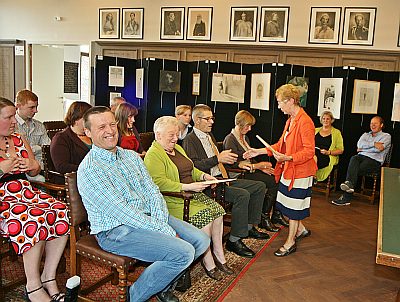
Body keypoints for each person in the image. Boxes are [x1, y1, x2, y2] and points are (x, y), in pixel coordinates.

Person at [77, 106, 209, 302]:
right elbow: (123, 212)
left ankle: (162, 283)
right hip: (115, 231)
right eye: (101, 127)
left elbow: (152, 191)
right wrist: (162, 228)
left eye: (112, 124)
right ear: (87, 132)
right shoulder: (90, 169)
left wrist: (159, 218)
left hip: (146, 217)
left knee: (201, 240)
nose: (110, 131)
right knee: (184, 252)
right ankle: (134, 296)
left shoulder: (130, 156)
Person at [145, 116, 233, 281]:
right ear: (158, 135)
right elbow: (158, 183)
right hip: (174, 199)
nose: (175, 138)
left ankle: (219, 254)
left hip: (192, 194)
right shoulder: (153, 155)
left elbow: (191, 169)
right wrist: (187, 187)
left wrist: (205, 176)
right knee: (206, 218)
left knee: (219, 211)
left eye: (177, 134)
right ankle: (208, 262)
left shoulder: (178, 148)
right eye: (171, 135)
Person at [0, 97, 69, 302]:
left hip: (25, 191)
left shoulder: (19, 139)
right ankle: (33, 286)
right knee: (34, 217)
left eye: (14, 116)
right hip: (4, 198)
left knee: (61, 210)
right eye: (8, 117)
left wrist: (31, 165)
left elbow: (36, 170)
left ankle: (48, 277)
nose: (14, 121)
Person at [183, 104, 268, 259]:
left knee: (259, 186)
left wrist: (226, 159)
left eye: (212, 118)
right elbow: (193, 166)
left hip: (222, 177)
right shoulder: (190, 140)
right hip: (208, 184)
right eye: (207, 119)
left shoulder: (209, 136)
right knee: (242, 195)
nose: (211, 122)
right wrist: (218, 159)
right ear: (196, 120)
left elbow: (217, 160)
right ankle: (234, 239)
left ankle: (249, 227)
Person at [244, 84, 317, 257]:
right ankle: (301, 229)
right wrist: (258, 151)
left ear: (291, 101)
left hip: (300, 172)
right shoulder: (290, 120)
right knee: (285, 203)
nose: (278, 106)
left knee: (293, 208)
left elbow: (309, 151)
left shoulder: (305, 122)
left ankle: (290, 242)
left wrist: (289, 158)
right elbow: (279, 146)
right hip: (289, 169)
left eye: (280, 102)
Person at [223, 110, 288, 232]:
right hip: (238, 173)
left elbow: (251, 159)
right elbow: (233, 163)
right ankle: (264, 217)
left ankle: (274, 214)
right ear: (239, 124)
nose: (249, 129)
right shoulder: (230, 139)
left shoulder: (245, 138)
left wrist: (262, 168)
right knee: (272, 182)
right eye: (247, 126)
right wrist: (260, 166)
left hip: (249, 170)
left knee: (275, 178)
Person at [332, 116, 391, 206]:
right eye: (371, 123)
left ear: (381, 125)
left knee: (354, 169)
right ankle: (349, 186)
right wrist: (374, 144)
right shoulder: (365, 135)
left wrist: (363, 149)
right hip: (360, 158)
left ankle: (347, 195)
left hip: (374, 161)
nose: (373, 125)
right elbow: (359, 145)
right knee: (354, 158)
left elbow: (379, 149)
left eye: (375, 123)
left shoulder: (386, 136)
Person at [50, 101, 92, 183]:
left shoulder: (92, 135)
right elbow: (61, 166)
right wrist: (88, 168)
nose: (90, 122)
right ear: (76, 119)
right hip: (74, 181)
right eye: (87, 119)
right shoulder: (61, 138)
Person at [14, 89, 51, 181]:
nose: (36, 110)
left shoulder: (39, 125)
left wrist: (31, 149)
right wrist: (37, 148)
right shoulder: (11, 125)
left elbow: (47, 147)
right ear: (18, 106)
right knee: (41, 180)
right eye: (31, 107)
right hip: (20, 169)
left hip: (41, 167)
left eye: (36, 107)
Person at [314, 111, 344, 182]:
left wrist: (328, 152)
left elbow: (341, 150)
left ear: (331, 120)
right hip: (313, 152)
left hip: (326, 156)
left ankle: (312, 177)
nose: (325, 120)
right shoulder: (315, 130)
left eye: (328, 119)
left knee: (313, 157)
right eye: (323, 118)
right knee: (308, 156)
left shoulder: (336, 132)